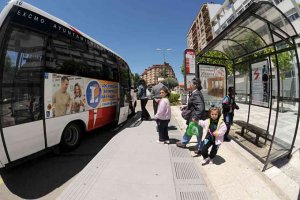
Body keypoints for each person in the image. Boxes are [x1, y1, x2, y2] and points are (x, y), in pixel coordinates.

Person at [176, 78, 206, 155]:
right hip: (196, 116)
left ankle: (200, 148)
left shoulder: (196, 93)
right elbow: (194, 105)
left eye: (191, 83)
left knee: (197, 132)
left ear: (195, 85)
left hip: (196, 117)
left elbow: (200, 107)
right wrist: (186, 107)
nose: (190, 84)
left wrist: (195, 117)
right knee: (192, 130)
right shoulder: (196, 92)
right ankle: (184, 142)